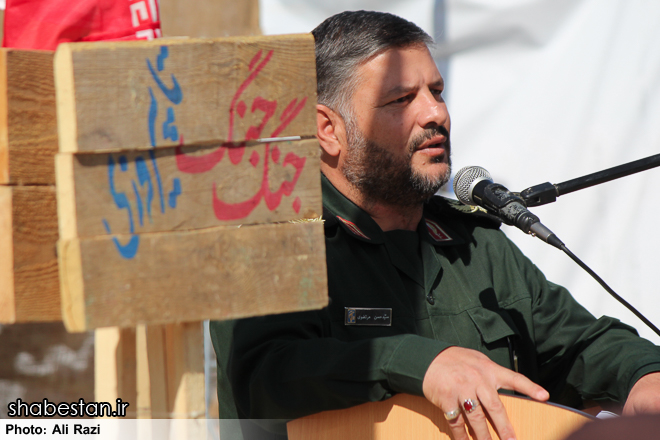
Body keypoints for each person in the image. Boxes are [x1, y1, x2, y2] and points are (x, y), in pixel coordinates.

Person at [210, 10, 660, 440]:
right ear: (327, 130)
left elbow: (581, 343)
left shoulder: (473, 244)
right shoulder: (273, 241)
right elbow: (265, 377)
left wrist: (643, 376)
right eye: (401, 99)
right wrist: (419, 362)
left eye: (437, 91)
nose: (436, 114)